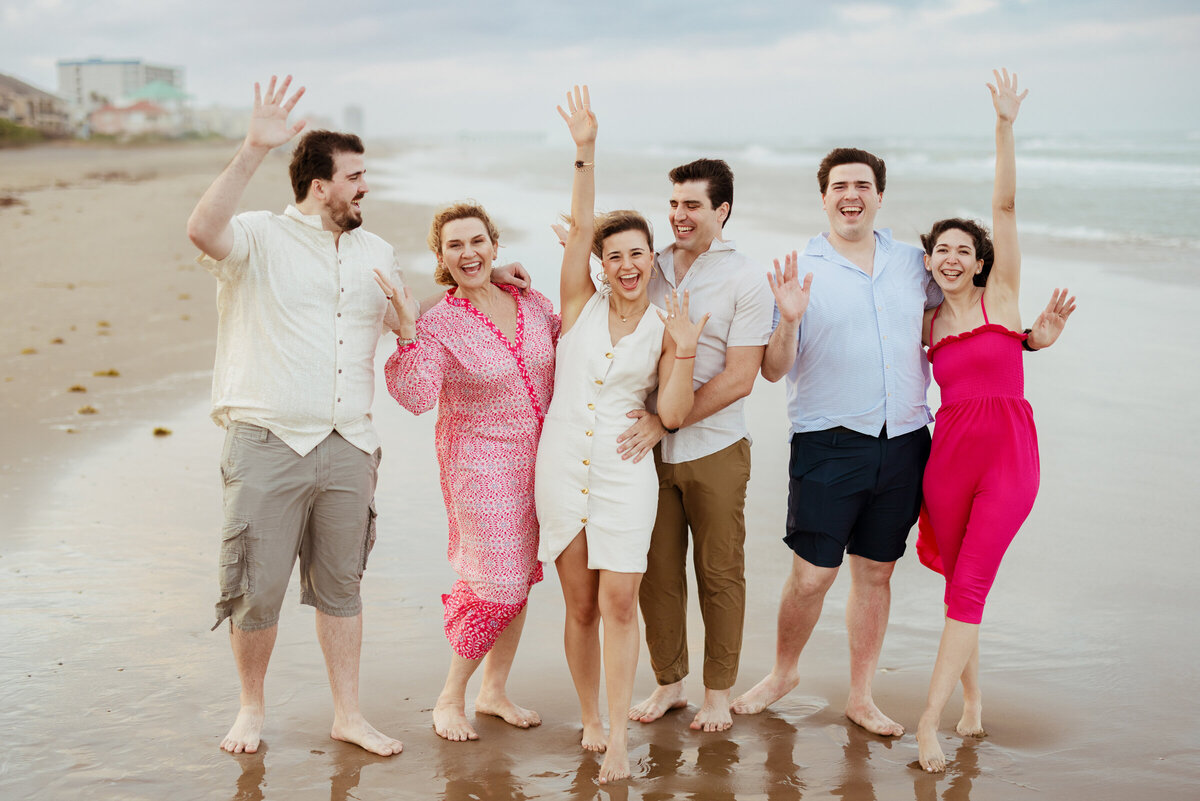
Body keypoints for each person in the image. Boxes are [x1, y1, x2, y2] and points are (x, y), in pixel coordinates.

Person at [732, 124, 1070, 735]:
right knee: (812, 575)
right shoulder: (798, 270)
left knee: (876, 572)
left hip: (908, 442)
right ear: (825, 197)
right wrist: (786, 321)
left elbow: (973, 322)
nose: (851, 194)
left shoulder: (913, 264)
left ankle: (861, 696)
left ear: (880, 196)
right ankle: (784, 672)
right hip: (828, 440)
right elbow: (774, 370)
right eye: (840, 186)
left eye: (863, 184)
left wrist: (1028, 340)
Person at [186, 75, 402, 757]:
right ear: (320, 183)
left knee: (343, 586)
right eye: (356, 175)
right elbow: (201, 229)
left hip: (350, 444)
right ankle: (250, 708)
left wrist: (495, 276)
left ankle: (348, 713)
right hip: (268, 439)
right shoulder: (258, 237)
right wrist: (252, 148)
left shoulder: (378, 251)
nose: (366, 185)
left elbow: (408, 320)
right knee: (255, 584)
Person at [533, 86, 707, 783]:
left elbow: (670, 409)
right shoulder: (578, 304)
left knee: (617, 600)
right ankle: (592, 716)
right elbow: (579, 227)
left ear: (650, 259)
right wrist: (585, 150)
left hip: (624, 470)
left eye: (639, 253)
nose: (628, 265)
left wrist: (687, 352)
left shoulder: (669, 325)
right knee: (577, 601)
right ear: (601, 263)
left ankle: (616, 742)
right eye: (616, 255)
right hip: (559, 465)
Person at [914, 70, 1075, 773]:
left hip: (1009, 455)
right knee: (958, 583)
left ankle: (929, 720)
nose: (951, 257)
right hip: (945, 458)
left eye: (962, 250)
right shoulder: (923, 321)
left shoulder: (1000, 297)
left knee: (973, 580)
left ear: (979, 263)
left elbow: (1004, 206)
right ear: (930, 261)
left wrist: (1004, 125)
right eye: (940, 249)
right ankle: (972, 700)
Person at [377, 200, 557, 744]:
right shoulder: (439, 322)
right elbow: (413, 395)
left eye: (477, 241)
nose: (469, 253)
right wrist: (409, 328)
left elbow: (578, 344)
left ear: (495, 245)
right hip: (478, 465)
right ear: (441, 257)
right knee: (494, 580)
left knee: (519, 577)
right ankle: (449, 697)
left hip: (540, 462)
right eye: (455, 245)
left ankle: (493, 691)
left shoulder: (530, 301)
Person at [619, 158, 776, 733]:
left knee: (719, 573)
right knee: (656, 572)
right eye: (675, 204)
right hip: (647, 453)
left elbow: (740, 378)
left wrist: (666, 421)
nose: (679, 216)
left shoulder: (746, 279)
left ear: (722, 211)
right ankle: (669, 684)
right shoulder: (650, 266)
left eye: (693, 206)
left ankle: (717, 692)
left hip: (715, 448)